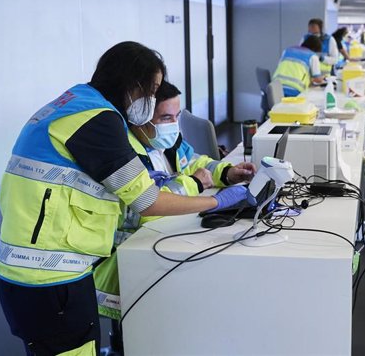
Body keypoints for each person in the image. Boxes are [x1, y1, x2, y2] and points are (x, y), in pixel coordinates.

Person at [0, 42, 251, 355]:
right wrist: (218, 202)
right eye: (152, 90)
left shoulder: (76, 103)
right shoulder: (96, 120)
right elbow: (148, 201)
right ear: (132, 83)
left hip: (32, 272)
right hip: (51, 276)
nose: (152, 99)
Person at [94, 80, 255, 347]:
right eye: (165, 117)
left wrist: (226, 172)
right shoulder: (124, 153)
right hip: (126, 261)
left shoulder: (167, 141)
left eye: (177, 117)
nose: (173, 125)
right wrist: (195, 184)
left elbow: (195, 162)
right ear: (141, 118)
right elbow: (148, 207)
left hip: (162, 243)